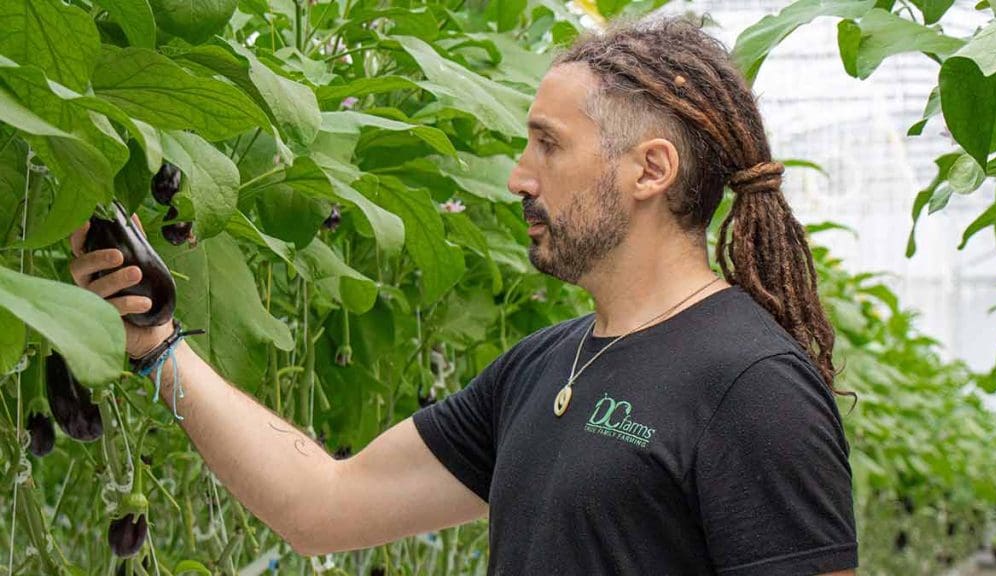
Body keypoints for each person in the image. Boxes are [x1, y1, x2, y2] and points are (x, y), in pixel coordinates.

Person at [68, 15, 857, 576]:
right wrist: (157, 347)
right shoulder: (545, 366)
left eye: (548, 144)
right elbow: (325, 505)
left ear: (650, 171)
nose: (518, 174)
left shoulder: (750, 385)